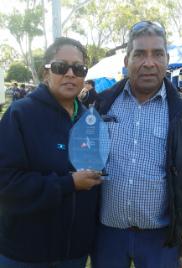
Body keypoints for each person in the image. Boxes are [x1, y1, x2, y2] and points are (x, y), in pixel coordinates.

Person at [92, 21, 182, 268]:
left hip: (161, 238)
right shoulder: (101, 106)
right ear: (126, 61)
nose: (149, 63)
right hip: (107, 235)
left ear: (167, 59)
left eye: (157, 54)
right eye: (140, 54)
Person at [0, 37, 102, 267]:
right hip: (25, 255)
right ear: (46, 73)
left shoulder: (90, 120)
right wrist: (69, 183)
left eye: (78, 68)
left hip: (74, 254)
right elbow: (6, 183)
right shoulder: (20, 115)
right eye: (59, 67)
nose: (70, 74)